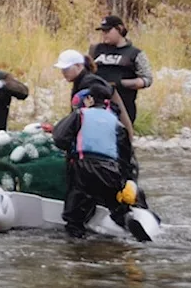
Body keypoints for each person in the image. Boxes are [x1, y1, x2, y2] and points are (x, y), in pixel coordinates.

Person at [51, 79, 140, 239]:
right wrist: (128, 179)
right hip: (111, 170)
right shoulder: (117, 123)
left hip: (83, 168)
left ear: (90, 99)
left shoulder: (80, 115)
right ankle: (124, 218)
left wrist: (70, 148)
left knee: (75, 213)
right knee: (114, 203)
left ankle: (76, 238)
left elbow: (59, 137)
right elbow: (126, 155)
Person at [90, 16, 153, 125]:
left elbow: (147, 79)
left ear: (119, 29)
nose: (104, 34)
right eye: (103, 31)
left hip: (124, 107)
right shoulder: (95, 49)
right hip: (97, 105)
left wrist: (122, 83)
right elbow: (87, 72)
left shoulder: (135, 53)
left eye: (108, 31)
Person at [55, 49, 134, 136]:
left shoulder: (89, 83)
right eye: (62, 69)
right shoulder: (82, 81)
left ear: (78, 66)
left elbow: (89, 117)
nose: (63, 72)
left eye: (66, 69)